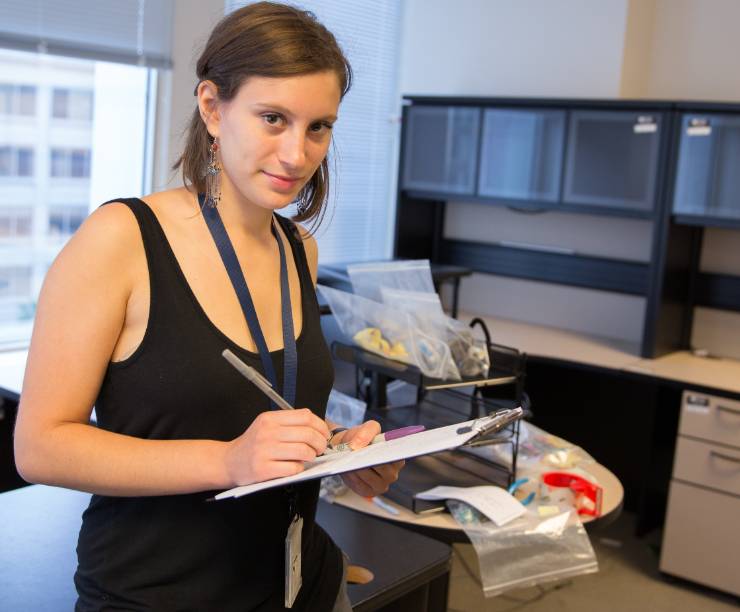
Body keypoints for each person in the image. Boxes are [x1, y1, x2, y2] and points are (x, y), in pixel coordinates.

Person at [13, 3, 404, 610]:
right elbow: (39, 447)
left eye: (318, 126)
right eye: (273, 118)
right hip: (160, 594)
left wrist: (338, 447)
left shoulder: (298, 248)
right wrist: (228, 461)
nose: (297, 154)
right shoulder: (121, 239)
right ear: (212, 108)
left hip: (298, 587)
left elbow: (259, 407)